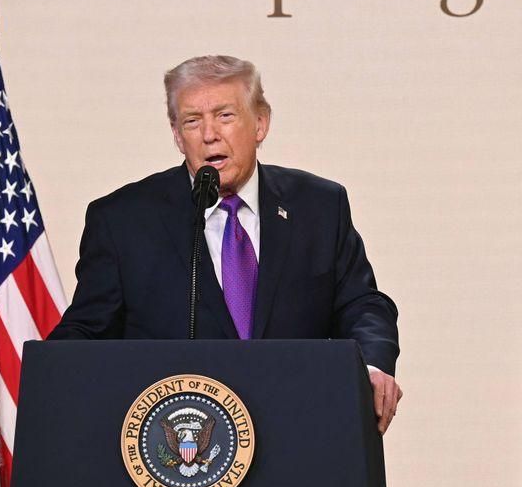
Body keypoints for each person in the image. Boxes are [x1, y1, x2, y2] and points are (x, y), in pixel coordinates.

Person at [49, 55, 402, 433]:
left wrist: (371, 366)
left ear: (261, 123)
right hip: (182, 451)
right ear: (176, 134)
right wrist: (50, 372)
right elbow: (85, 333)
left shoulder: (319, 206)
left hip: (299, 430)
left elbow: (362, 303)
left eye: (225, 116)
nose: (209, 134)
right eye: (191, 121)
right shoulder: (122, 220)